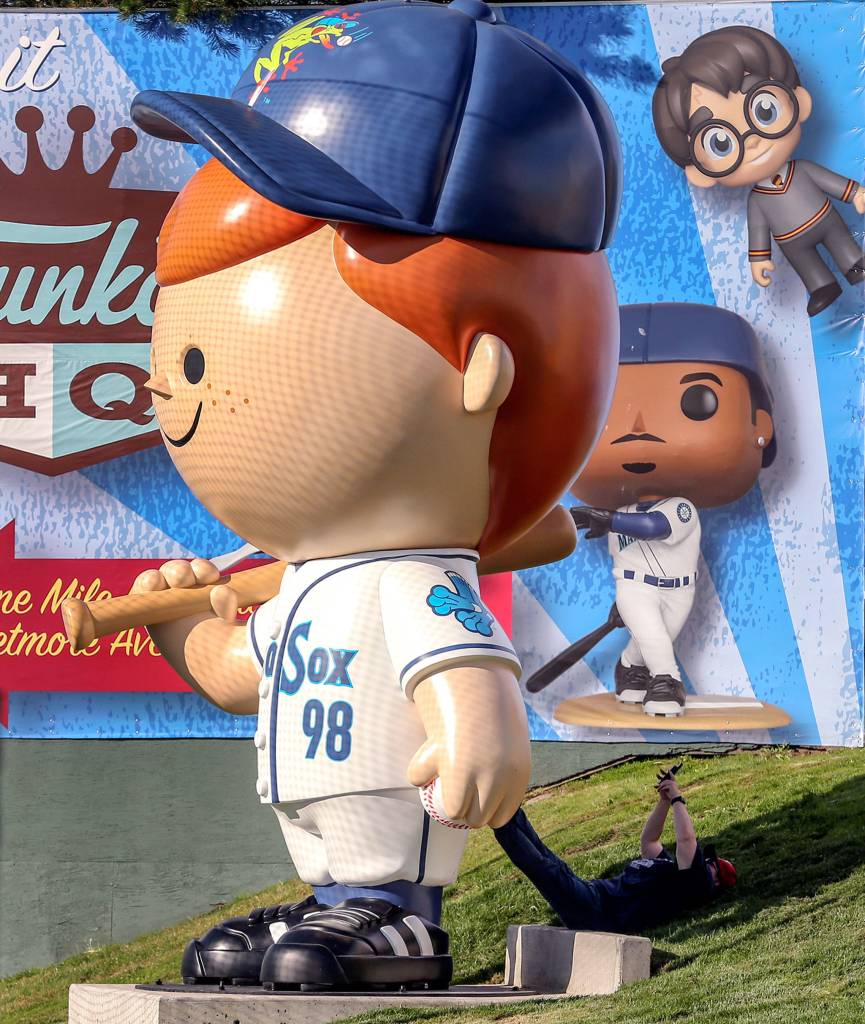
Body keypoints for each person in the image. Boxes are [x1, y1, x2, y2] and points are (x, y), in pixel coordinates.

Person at [124, 0, 622, 991]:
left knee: (378, 874)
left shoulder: (412, 580)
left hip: (397, 812)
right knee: (315, 903)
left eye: (200, 354)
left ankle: (401, 921)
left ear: (478, 371)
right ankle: (332, 905)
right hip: (315, 815)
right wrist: (179, 634)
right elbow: (242, 676)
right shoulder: (308, 580)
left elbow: (462, 655)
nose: (171, 383)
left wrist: (482, 729)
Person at [570, 302, 776, 716]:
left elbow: (650, 526)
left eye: (698, 401)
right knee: (656, 640)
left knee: (651, 640)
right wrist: (624, 597)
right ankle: (668, 685)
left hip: (681, 589)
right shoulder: (619, 505)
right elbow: (625, 544)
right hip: (635, 586)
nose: (640, 427)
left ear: (762, 427)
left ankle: (629, 670)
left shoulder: (680, 508)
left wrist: (606, 518)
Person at [652, 25, 865, 317]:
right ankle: (821, 285)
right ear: (700, 172)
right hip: (791, 241)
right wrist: (759, 259)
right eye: (720, 142)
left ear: (798, 102)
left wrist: (855, 193)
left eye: (764, 110)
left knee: (841, 240)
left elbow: (828, 181)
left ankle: (854, 262)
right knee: (804, 261)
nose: (751, 140)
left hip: (825, 218)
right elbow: (758, 231)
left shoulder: (802, 170)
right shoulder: (758, 201)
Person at [493, 766, 737, 935]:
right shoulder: (671, 870)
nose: (706, 863)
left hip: (600, 913)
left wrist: (677, 798)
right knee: (546, 860)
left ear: (716, 882)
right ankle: (505, 803)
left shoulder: (697, 884)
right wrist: (664, 801)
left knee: (543, 868)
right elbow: (649, 841)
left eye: (712, 865)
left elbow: (687, 840)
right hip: (595, 896)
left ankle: (499, 819)